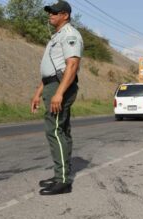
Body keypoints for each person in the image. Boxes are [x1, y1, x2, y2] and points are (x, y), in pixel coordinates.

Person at [30, 1, 83, 195]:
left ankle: (63, 180)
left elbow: (71, 66)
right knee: (61, 130)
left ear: (65, 15)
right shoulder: (57, 36)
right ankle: (60, 174)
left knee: (55, 130)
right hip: (52, 84)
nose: (50, 15)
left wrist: (59, 93)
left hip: (61, 86)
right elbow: (51, 70)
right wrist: (38, 93)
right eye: (50, 12)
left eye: (54, 12)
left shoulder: (70, 35)